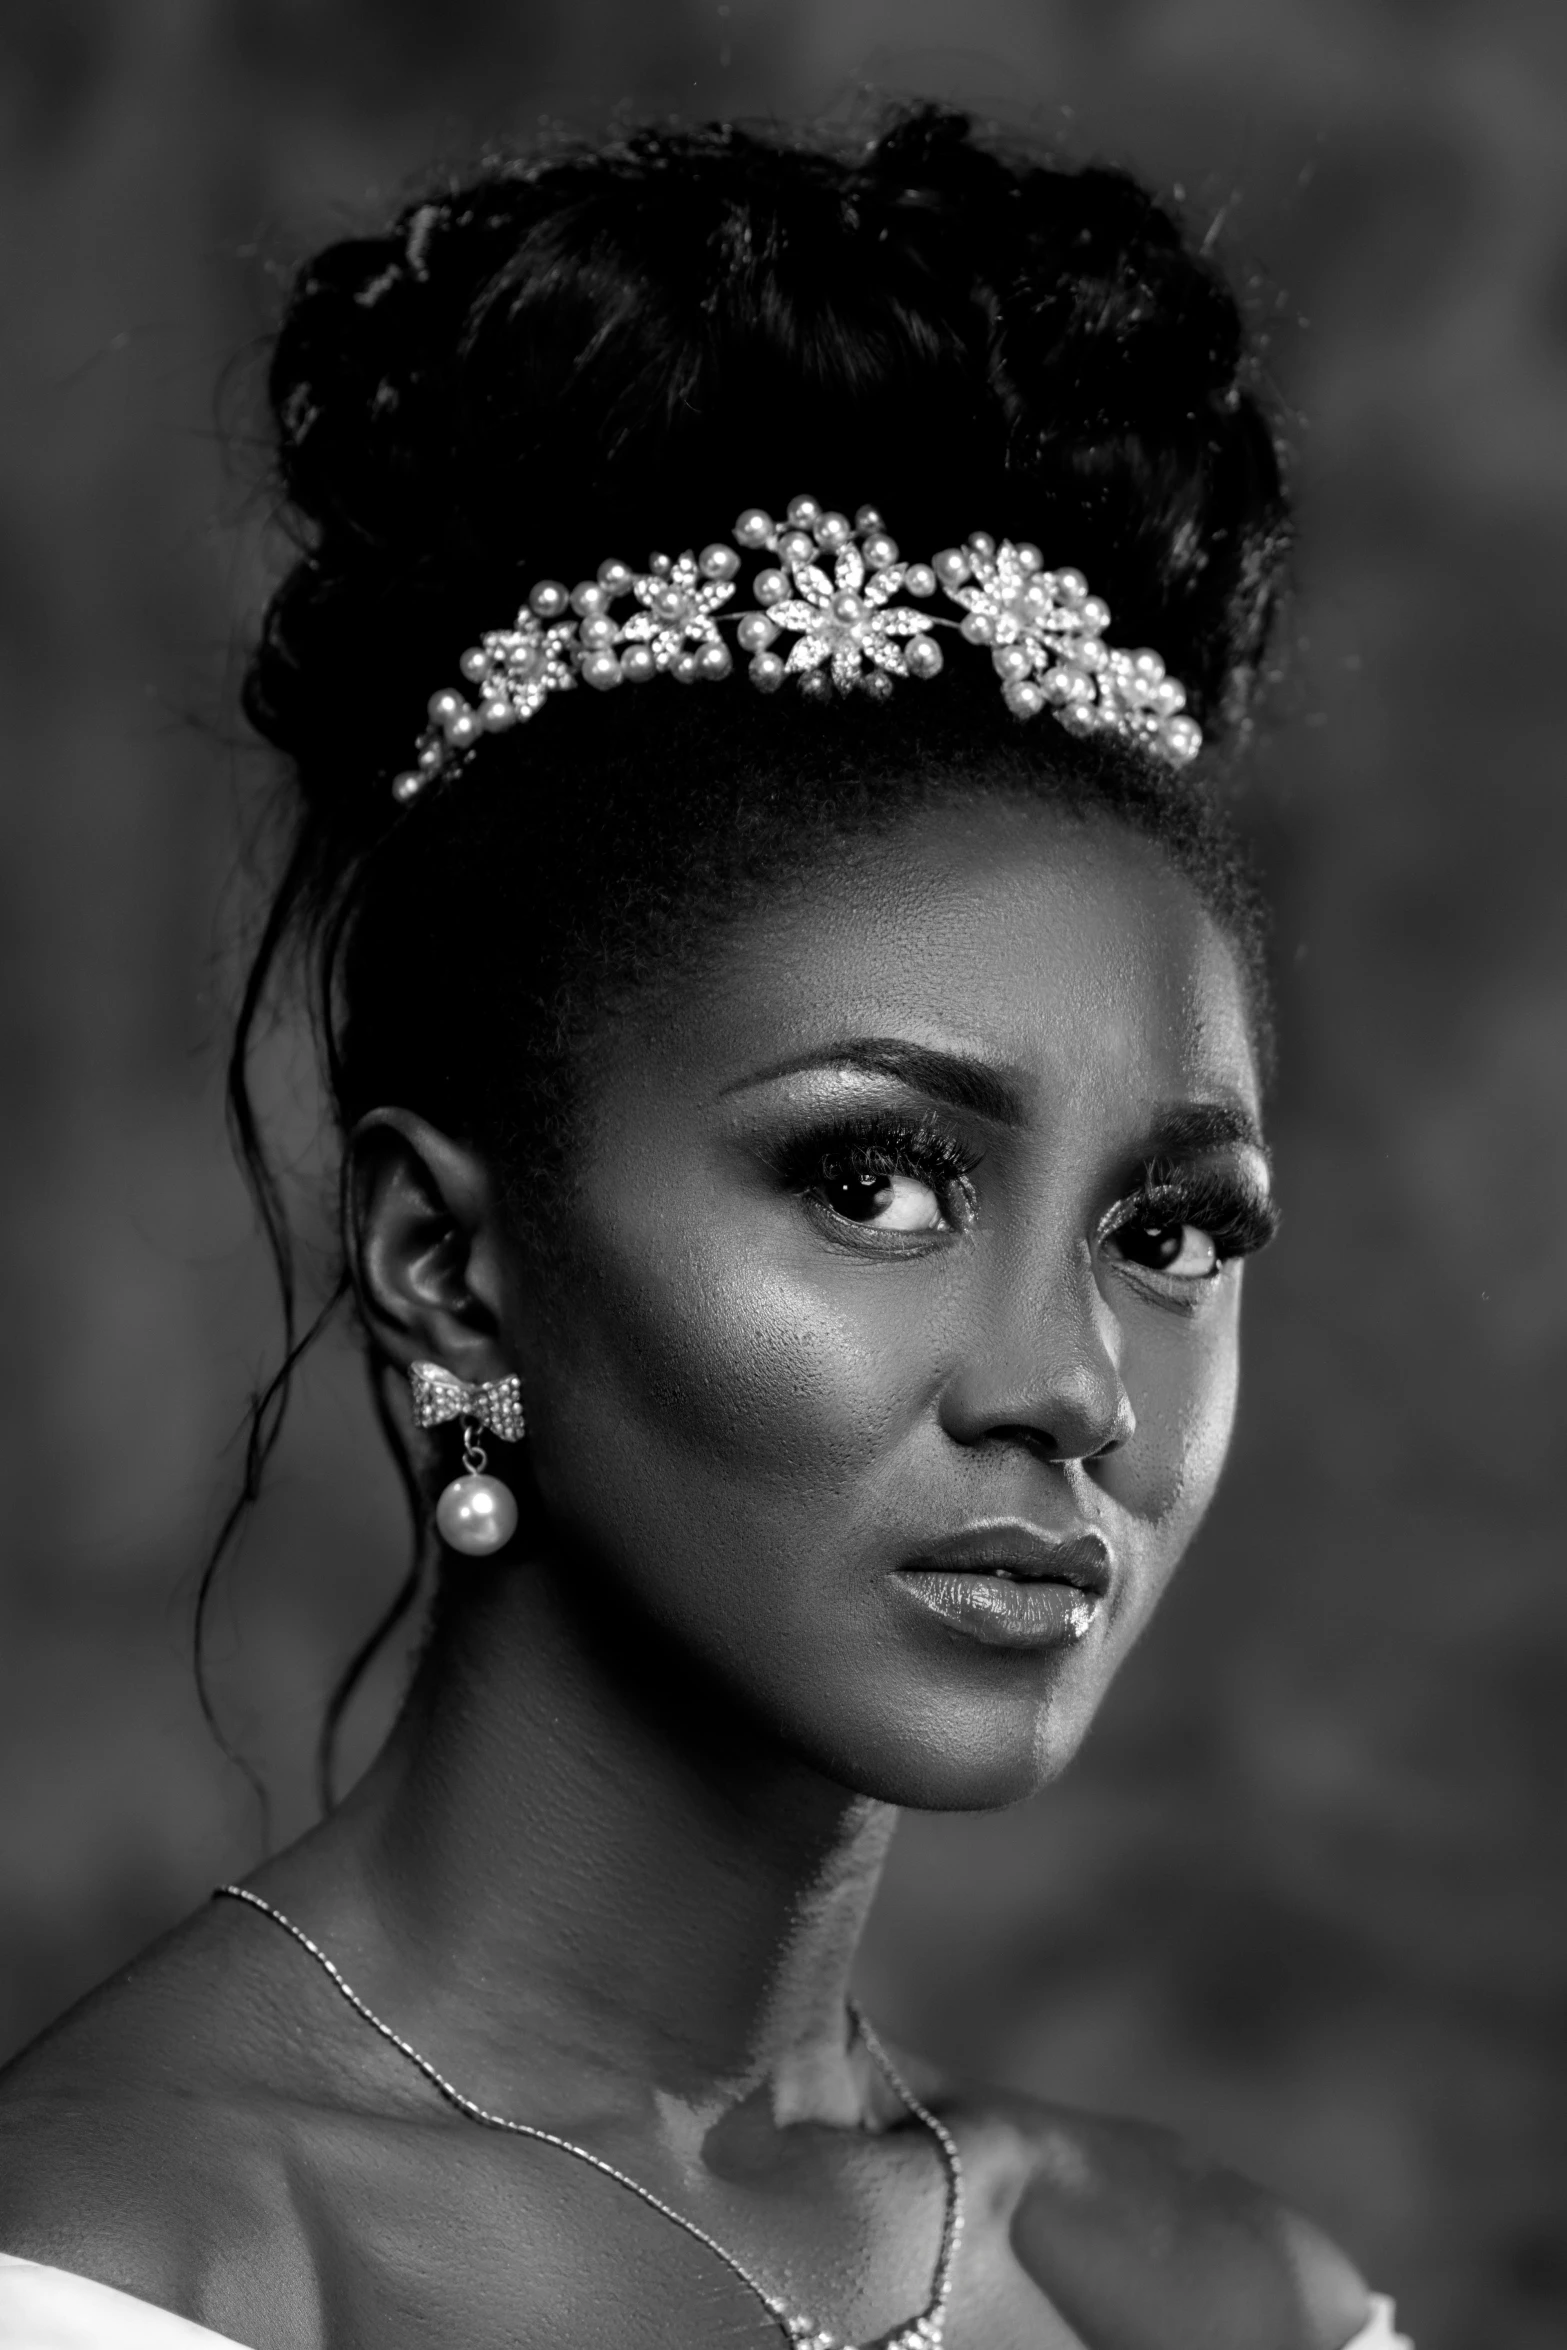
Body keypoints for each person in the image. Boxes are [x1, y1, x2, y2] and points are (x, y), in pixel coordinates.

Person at [0, 104, 1412, 2350]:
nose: (1073, 1382)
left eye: (1169, 1224)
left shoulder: (1212, 2289)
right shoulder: (133, 2262)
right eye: (874, 1180)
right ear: (446, 1260)